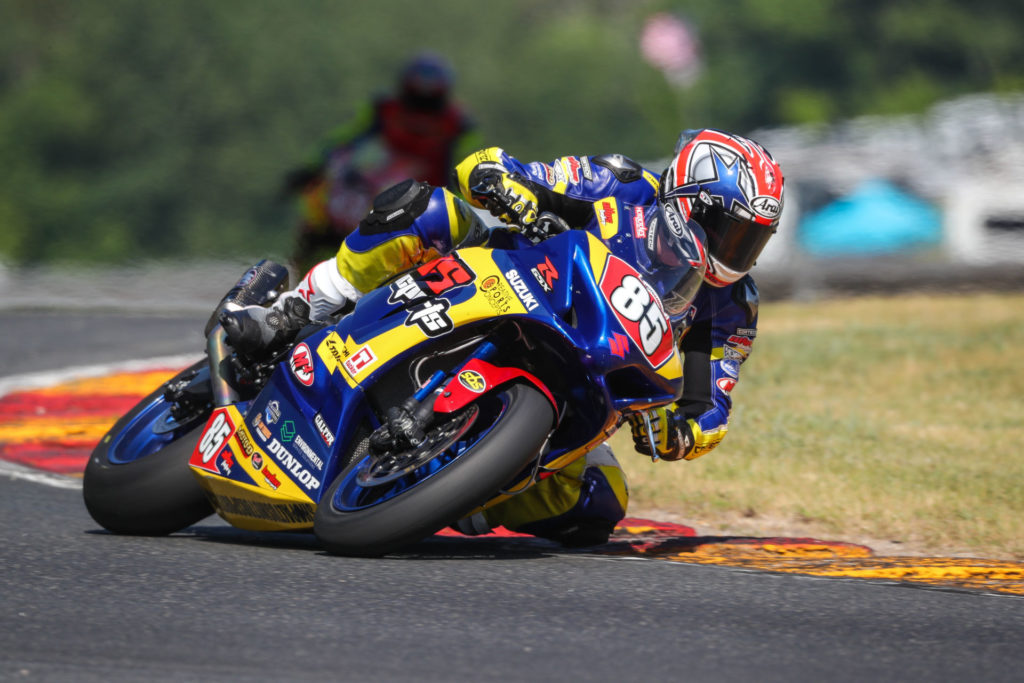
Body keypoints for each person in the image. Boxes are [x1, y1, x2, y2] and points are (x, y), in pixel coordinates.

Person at [224, 128, 785, 546]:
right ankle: (295, 309)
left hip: (584, 386)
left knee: (600, 504)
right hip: (501, 281)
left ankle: (462, 486)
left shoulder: (733, 305)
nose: (739, 252)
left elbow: (711, 401)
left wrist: (683, 432)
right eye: (731, 231)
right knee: (429, 210)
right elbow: (489, 166)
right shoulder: (621, 183)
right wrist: (508, 186)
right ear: (689, 201)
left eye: (752, 240)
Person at [283, 53, 482, 271]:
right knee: (327, 202)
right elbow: (347, 139)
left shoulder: (457, 122)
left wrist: (466, 209)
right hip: (381, 179)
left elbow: (461, 166)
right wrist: (314, 166)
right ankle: (301, 263)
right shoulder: (385, 108)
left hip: (428, 195)